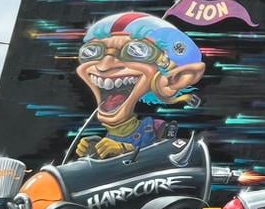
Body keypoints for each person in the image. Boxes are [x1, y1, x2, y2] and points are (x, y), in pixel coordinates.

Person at [74, 12, 205, 158]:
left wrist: (126, 149)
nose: (104, 66)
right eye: (92, 51)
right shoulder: (110, 136)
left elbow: (171, 157)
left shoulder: (157, 128)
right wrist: (96, 152)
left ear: (175, 79)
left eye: (136, 50)